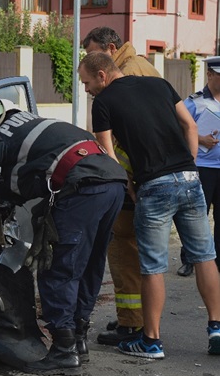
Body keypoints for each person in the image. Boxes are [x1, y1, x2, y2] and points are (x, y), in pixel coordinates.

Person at [0, 101, 127, 375]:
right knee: (89, 264)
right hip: (113, 184)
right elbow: (24, 184)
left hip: (82, 188)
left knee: (57, 268)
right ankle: (78, 342)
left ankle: (64, 352)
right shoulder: (44, 125)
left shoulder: (4, 133)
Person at [80, 51, 220, 359]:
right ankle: (217, 329)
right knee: (205, 257)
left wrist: (129, 187)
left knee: (153, 267)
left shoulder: (103, 104)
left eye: (87, 82)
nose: (86, 90)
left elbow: (107, 154)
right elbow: (190, 127)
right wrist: (190, 166)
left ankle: (152, 342)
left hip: (153, 188)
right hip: (189, 179)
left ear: (102, 75)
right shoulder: (160, 85)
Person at [82, 26, 165, 346]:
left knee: (124, 249)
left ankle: (133, 323)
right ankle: (137, 319)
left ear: (110, 49)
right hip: (156, 175)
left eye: (91, 55)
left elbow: (118, 137)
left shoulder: (123, 77)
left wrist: (116, 177)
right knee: (142, 252)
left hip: (134, 180)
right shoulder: (142, 66)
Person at [183, 56, 220, 275]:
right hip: (202, 167)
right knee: (196, 216)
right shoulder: (194, 102)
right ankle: (189, 260)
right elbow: (179, 131)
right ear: (210, 75)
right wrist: (200, 140)